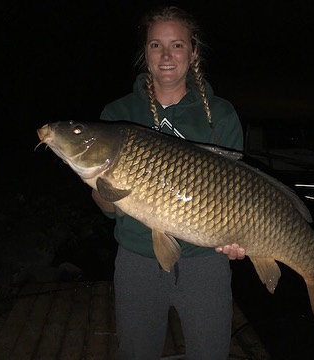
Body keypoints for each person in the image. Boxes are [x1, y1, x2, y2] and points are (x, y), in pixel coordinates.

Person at [92, 5, 245, 360]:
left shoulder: (220, 115)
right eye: (156, 45)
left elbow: (241, 193)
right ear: (145, 53)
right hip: (137, 260)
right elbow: (109, 211)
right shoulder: (117, 116)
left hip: (206, 262)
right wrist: (100, 189)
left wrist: (239, 237)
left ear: (193, 53)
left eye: (176, 45)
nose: (166, 55)